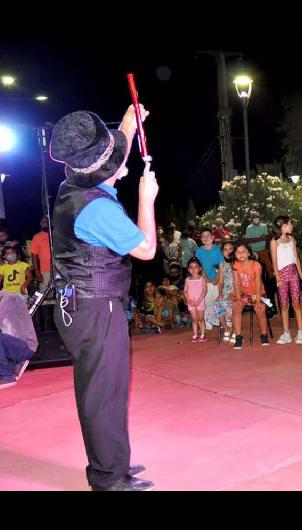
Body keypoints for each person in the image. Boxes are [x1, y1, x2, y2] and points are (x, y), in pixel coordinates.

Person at [48, 105, 156, 491]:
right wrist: (147, 198)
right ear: (101, 169)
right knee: (104, 393)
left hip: (82, 304)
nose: (120, 162)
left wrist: (129, 119)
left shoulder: (73, 185)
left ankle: (113, 464)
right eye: (114, 160)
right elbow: (146, 249)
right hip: (96, 308)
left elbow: (116, 151)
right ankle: (108, 479)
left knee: (104, 388)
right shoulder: (96, 209)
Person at [270, 216, 302, 345]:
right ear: (283, 226)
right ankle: (286, 333)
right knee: (284, 304)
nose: (292, 226)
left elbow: (296, 259)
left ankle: (300, 332)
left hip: (293, 274)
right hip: (282, 275)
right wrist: (278, 278)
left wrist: (301, 275)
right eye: (290, 224)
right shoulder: (274, 242)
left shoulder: (292, 239)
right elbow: (274, 263)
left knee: (296, 303)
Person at [232, 242, 270, 348]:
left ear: (249, 253)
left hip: (257, 293)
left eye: (243, 251)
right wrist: (239, 298)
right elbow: (236, 282)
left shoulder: (256, 265)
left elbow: (258, 282)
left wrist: (258, 300)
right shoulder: (235, 265)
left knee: (260, 308)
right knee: (237, 307)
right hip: (244, 294)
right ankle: (238, 336)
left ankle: (264, 334)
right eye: (238, 252)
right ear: (235, 254)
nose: (241, 254)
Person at [195, 228, 224, 333]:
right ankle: (206, 324)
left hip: (217, 280)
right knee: (205, 302)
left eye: (208, 236)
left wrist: (217, 279)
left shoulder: (218, 249)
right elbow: (199, 266)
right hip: (204, 281)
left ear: (212, 238)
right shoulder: (199, 251)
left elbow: (221, 265)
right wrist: (205, 279)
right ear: (201, 239)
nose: (206, 238)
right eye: (203, 236)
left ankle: (218, 321)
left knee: (217, 300)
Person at [215, 241, 236, 344]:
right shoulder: (222, 264)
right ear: (222, 252)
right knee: (218, 303)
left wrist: (235, 292)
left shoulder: (237, 263)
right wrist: (219, 294)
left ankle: (237, 330)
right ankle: (227, 328)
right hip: (225, 291)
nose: (228, 251)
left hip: (237, 291)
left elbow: (240, 281)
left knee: (227, 303)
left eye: (230, 249)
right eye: (225, 249)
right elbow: (221, 282)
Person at [183, 257, 208, 342]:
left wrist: (199, 300)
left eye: (196, 267)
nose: (193, 269)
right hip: (191, 302)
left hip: (199, 302)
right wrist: (189, 300)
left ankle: (203, 335)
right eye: (191, 267)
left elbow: (204, 291)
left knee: (201, 318)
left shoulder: (202, 279)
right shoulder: (187, 280)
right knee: (194, 319)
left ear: (200, 268)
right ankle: (195, 335)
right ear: (188, 269)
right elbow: (185, 291)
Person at [241, 212, 272, 277]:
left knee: (269, 269)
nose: (256, 219)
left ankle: (271, 282)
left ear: (259, 218)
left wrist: (255, 239)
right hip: (252, 251)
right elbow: (248, 241)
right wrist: (260, 238)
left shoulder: (264, 226)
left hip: (262, 250)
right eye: (254, 217)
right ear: (251, 219)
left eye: (257, 217)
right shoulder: (249, 228)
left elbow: (266, 238)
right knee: (252, 270)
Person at [30, 217, 52, 292]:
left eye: (46, 221)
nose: (44, 223)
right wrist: (37, 272)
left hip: (59, 269)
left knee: (60, 293)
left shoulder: (57, 235)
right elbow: (34, 256)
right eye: (42, 222)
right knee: (44, 292)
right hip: (45, 270)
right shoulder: (37, 237)